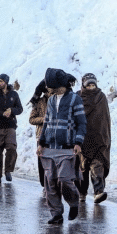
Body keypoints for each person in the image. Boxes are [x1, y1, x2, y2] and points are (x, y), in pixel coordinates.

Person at [37, 68, 86, 225]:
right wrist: (41, 143)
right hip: (50, 148)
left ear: (57, 85)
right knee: (50, 182)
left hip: (67, 148)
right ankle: (56, 214)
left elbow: (81, 123)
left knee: (65, 179)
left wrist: (78, 142)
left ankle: (73, 202)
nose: (48, 89)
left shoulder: (74, 99)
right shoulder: (51, 100)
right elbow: (46, 124)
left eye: (50, 86)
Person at [78, 73, 112, 203]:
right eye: (88, 85)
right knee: (83, 167)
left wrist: (106, 137)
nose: (91, 87)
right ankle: (82, 193)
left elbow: (105, 119)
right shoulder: (78, 97)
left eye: (93, 85)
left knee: (97, 165)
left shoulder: (101, 97)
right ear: (84, 85)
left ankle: (99, 192)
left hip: (98, 138)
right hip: (82, 139)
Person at [0, 73, 23, 185]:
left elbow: (20, 109)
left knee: (11, 148)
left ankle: (8, 171)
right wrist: (2, 114)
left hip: (10, 125)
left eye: (1, 81)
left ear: (6, 82)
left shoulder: (14, 94)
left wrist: (11, 110)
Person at [28, 80, 50, 190]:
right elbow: (31, 119)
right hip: (41, 135)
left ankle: (52, 183)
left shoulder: (60, 100)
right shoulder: (39, 102)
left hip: (56, 135)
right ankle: (44, 183)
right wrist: (43, 119)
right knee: (42, 160)